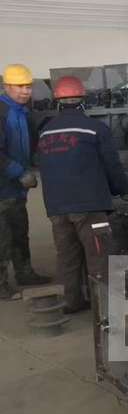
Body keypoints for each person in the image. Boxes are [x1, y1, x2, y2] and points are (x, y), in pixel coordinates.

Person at [37, 75, 128, 314]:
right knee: (99, 257)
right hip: (89, 206)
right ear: (83, 100)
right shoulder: (95, 129)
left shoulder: (45, 132)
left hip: (56, 207)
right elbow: (112, 166)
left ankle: (71, 303)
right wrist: (124, 190)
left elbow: (45, 167)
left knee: (67, 257)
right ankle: (104, 310)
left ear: (57, 102)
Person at [0, 63, 51, 299]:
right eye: (19, 86)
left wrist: (37, 162)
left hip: (17, 189)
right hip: (3, 186)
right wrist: (19, 172)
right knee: (3, 237)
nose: (25, 91)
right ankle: (1, 285)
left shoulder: (24, 112)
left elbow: (31, 145)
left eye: (28, 86)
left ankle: (24, 273)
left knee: (20, 231)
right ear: (6, 86)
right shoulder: (2, 111)